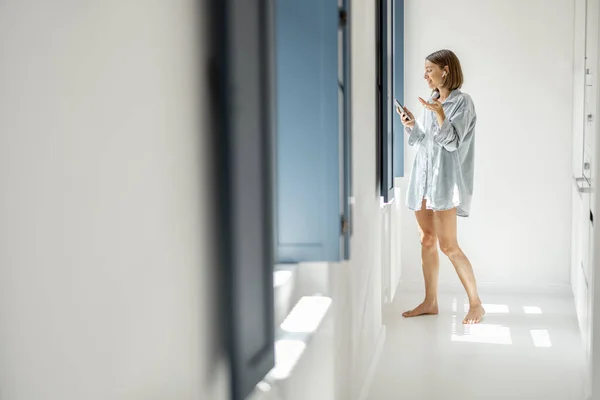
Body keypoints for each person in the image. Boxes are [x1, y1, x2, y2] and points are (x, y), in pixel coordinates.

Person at [396, 49, 485, 324]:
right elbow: (426, 143)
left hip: (445, 183)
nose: (425, 75)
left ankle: (476, 304)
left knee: (449, 246)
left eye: (429, 70)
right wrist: (412, 125)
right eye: (424, 70)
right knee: (426, 239)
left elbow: (452, 142)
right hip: (423, 180)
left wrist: (440, 115)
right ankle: (430, 301)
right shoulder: (433, 100)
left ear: (445, 70)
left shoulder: (463, 103)